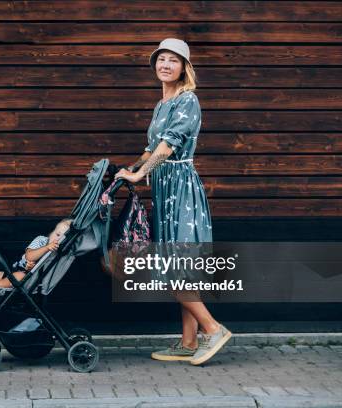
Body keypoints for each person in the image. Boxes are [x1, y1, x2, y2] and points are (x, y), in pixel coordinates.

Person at [114, 38, 231, 365]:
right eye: (161, 59)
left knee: (174, 265)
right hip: (165, 189)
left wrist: (140, 175)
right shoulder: (162, 103)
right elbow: (153, 149)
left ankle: (213, 329)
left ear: (184, 68)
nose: (165, 65)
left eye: (173, 60)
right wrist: (133, 168)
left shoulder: (187, 100)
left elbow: (169, 147)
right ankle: (189, 342)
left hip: (180, 188)